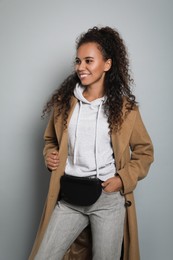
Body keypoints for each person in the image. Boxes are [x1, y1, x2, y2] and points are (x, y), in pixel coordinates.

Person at [29, 26, 154, 260]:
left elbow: (144, 152)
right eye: (78, 61)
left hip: (108, 200)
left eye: (88, 61)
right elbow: (50, 140)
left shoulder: (126, 110)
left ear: (107, 64)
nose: (81, 67)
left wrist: (122, 179)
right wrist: (49, 153)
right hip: (70, 196)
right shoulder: (64, 104)